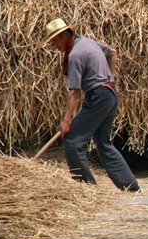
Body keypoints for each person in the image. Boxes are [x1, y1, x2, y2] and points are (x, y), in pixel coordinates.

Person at [44, 18, 140, 192]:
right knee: (103, 143)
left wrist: (66, 122)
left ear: (65, 35)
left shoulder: (74, 55)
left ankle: (86, 188)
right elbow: (112, 52)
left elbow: (74, 92)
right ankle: (131, 187)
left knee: (72, 139)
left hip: (99, 96)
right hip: (110, 93)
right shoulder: (87, 42)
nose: (53, 44)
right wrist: (109, 78)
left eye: (54, 40)